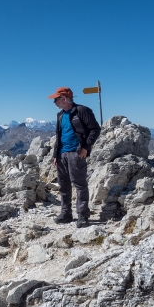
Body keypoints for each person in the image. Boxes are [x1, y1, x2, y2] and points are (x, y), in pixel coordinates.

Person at [48, 87, 101, 227]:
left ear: (64, 98)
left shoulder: (82, 111)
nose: (54, 102)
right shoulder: (60, 115)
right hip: (62, 155)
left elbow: (95, 129)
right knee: (63, 185)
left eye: (56, 99)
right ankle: (66, 214)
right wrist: (55, 155)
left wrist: (85, 147)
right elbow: (59, 136)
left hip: (76, 153)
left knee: (79, 184)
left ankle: (83, 216)